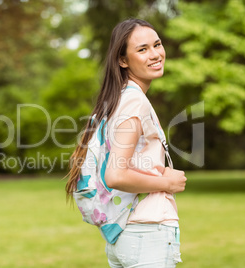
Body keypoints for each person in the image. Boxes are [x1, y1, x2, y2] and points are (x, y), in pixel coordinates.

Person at [65, 18, 187, 267]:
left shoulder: (118, 98)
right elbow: (116, 175)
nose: (155, 54)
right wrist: (167, 182)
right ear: (122, 60)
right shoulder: (133, 101)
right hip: (146, 233)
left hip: (127, 235)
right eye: (142, 49)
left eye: (157, 44)